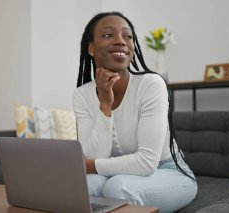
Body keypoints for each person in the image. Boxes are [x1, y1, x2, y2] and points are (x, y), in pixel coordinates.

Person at [72, 11, 197, 213]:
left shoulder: (151, 84)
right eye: (107, 35)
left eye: (127, 36)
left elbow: (146, 163)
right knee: (86, 186)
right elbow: (94, 155)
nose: (121, 41)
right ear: (91, 48)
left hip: (166, 171)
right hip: (117, 173)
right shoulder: (82, 95)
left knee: (117, 188)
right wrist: (105, 104)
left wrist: (87, 165)